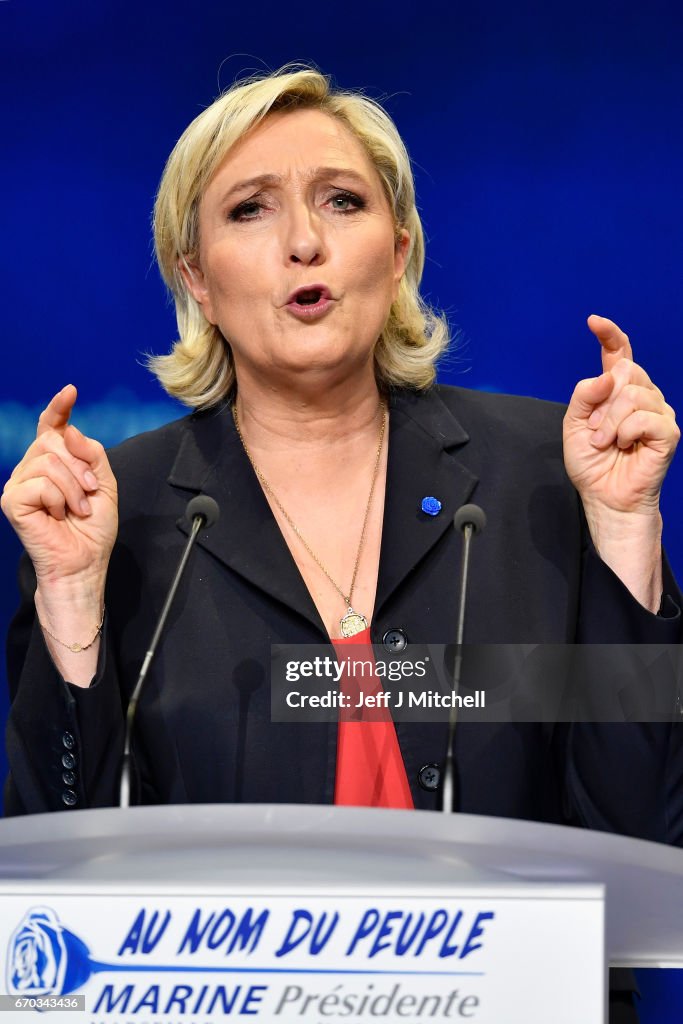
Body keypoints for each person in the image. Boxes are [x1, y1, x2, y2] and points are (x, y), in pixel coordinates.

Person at [2, 65, 681, 1021]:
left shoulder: (543, 474)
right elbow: (58, 899)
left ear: (398, 251)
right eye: (250, 210)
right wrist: (70, 595)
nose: (304, 242)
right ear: (193, 275)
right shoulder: (129, 512)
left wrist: (621, 528)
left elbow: (643, 836)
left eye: (342, 201)